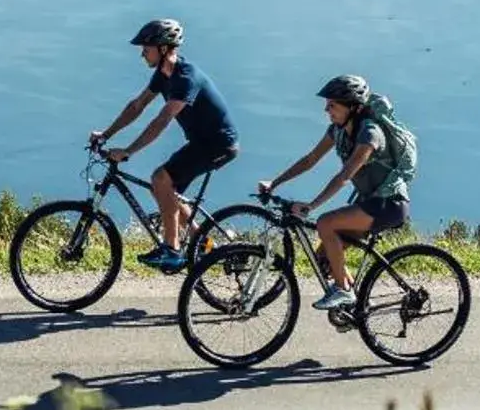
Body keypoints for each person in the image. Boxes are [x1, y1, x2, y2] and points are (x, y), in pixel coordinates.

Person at [92, 18, 239, 273]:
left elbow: (162, 120)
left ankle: (172, 250)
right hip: (201, 143)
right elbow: (137, 106)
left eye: (146, 48)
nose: (141, 54)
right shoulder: (163, 75)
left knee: (161, 179)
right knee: (161, 187)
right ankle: (202, 242)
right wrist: (106, 134)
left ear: (163, 48)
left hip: (219, 145)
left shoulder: (185, 78)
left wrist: (127, 151)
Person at [261, 73, 411, 313]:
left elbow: (344, 176)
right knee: (324, 260)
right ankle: (357, 306)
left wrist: (311, 206)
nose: (326, 110)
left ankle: (344, 290)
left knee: (325, 223)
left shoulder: (370, 134)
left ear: (352, 107)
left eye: (332, 105)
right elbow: (310, 160)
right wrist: (275, 183)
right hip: (369, 203)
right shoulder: (338, 130)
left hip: (388, 205)